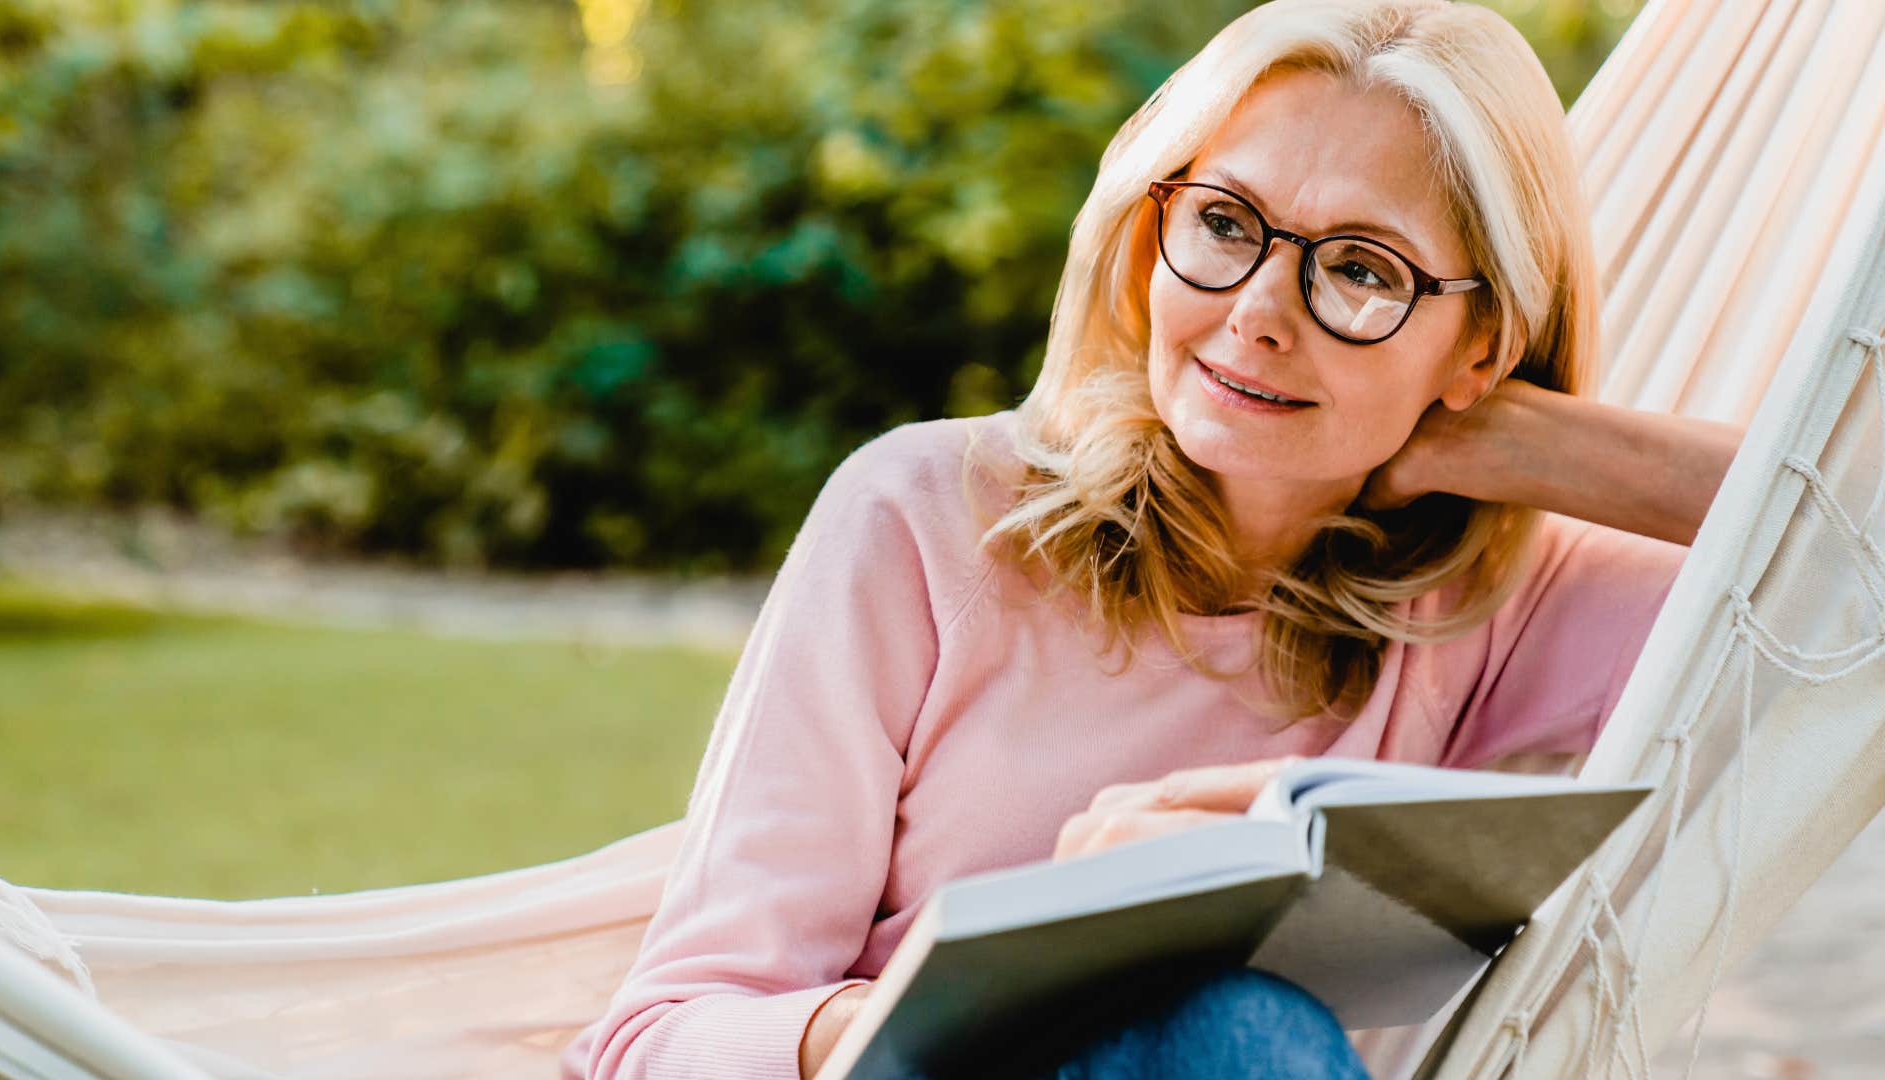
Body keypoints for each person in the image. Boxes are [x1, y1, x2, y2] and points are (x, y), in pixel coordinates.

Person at [561, 1, 1745, 1077]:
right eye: (1227, 223)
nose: (1258, 314)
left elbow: (1854, 598)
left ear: (1479, 347)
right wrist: (926, 1001)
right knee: (1237, 1029)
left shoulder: (1492, 607)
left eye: (1361, 271)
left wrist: (1541, 448)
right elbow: (663, 1031)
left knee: (1234, 1028)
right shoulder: (922, 520)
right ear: (1147, 231)